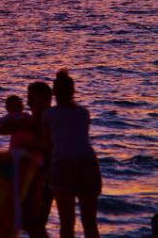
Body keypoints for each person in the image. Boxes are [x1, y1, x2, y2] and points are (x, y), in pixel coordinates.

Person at [43, 70, 101, 238]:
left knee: (67, 222)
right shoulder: (83, 113)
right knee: (90, 221)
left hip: (63, 162)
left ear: (54, 92)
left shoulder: (49, 114)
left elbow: (47, 145)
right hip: (88, 162)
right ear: (73, 91)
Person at [0, 81, 53, 238]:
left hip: (43, 177)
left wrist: (30, 143)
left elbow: (48, 147)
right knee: (29, 222)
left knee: (35, 223)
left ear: (44, 98)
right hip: (31, 177)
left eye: (31, 98)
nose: (28, 102)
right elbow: (2, 130)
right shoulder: (31, 120)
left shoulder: (48, 119)